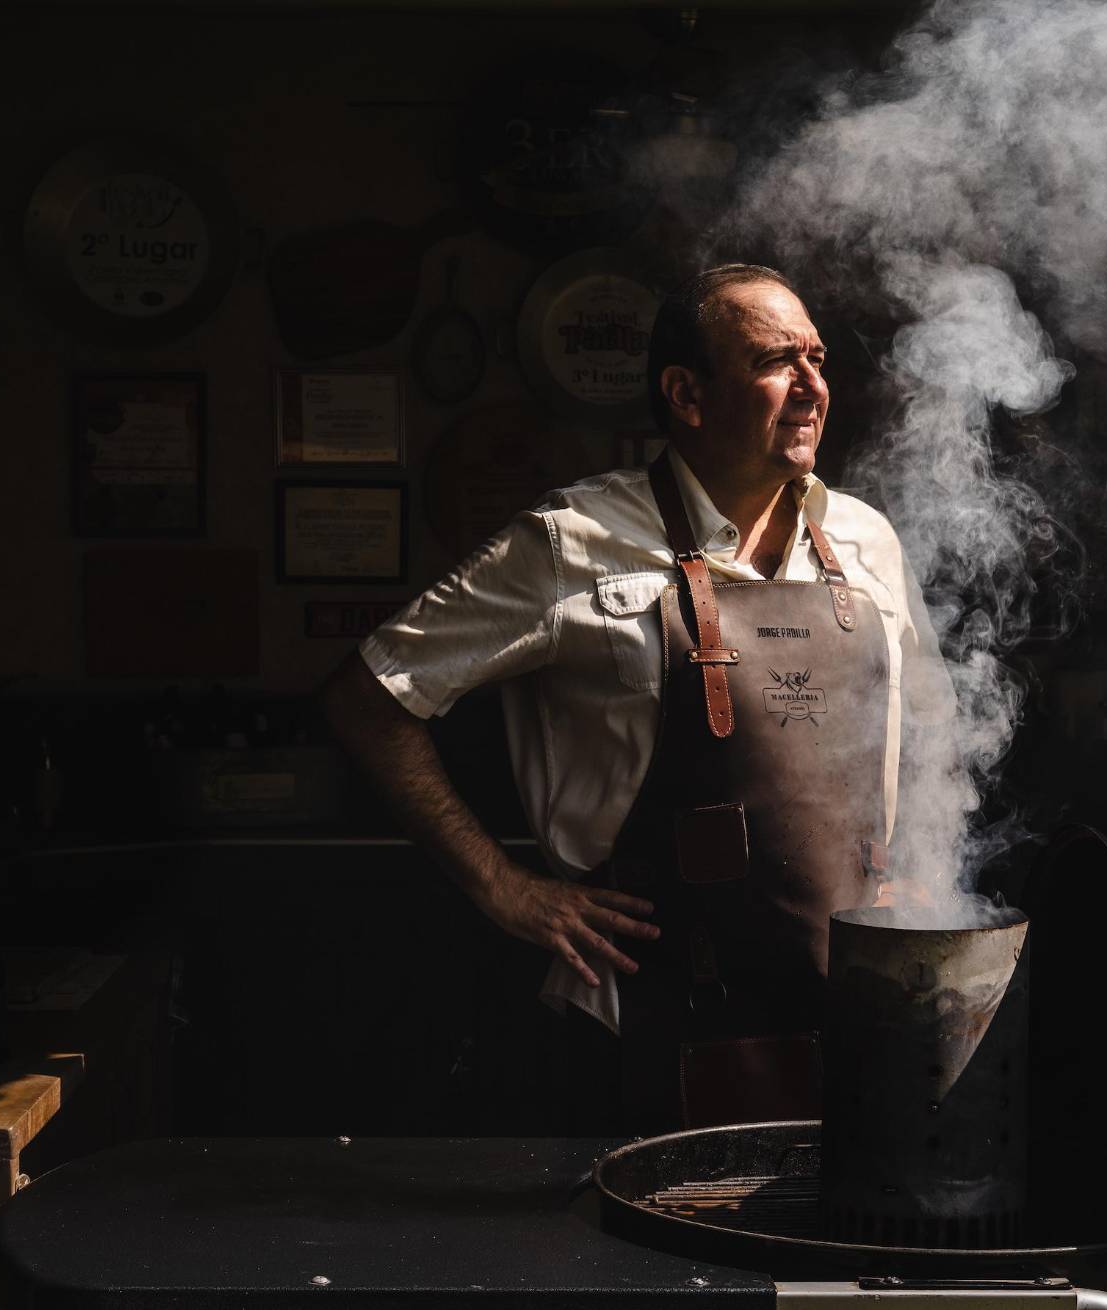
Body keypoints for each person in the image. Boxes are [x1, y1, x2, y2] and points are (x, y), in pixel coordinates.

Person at [322, 263, 944, 1131]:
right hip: (641, 1022)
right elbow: (370, 697)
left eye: (817, 358)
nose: (812, 387)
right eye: (776, 363)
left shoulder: (865, 538)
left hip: (848, 1014)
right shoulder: (570, 542)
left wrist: (920, 869)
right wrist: (503, 886)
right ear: (686, 394)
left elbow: (929, 723)